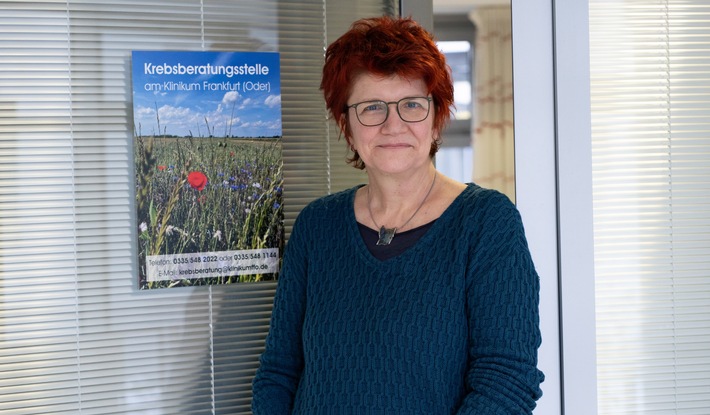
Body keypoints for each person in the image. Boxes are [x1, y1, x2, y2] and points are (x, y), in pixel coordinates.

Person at [251, 15, 544, 414]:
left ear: (438, 118)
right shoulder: (316, 226)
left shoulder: (487, 223)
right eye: (372, 107)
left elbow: (507, 383)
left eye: (411, 105)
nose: (393, 125)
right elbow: (279, 373)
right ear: (346, 125)